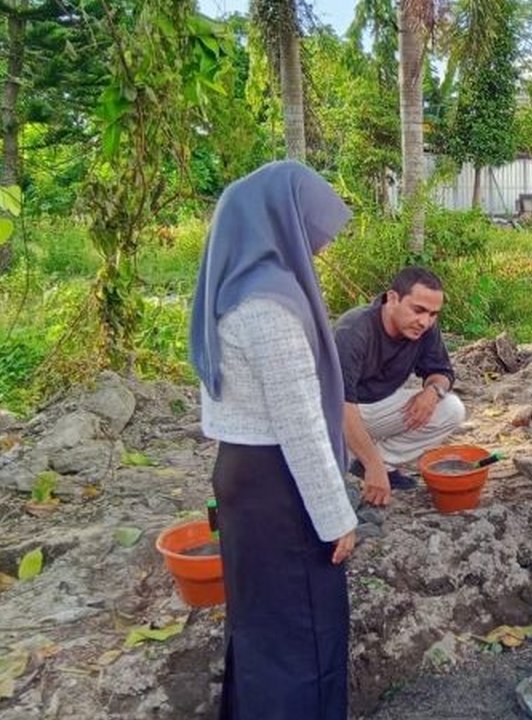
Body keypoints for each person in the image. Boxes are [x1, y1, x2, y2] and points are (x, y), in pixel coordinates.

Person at [190, 160, 357, 719]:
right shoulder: (269, 306)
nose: (320, 250)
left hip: (242, 474)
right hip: (277, 485)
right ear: (280, 224)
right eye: (314, 235)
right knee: (300, 629)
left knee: (261, 622)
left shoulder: (231, 289)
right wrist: (338, 517)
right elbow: (301, 426)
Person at [333, 266, 466, 507]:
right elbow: (340, 406)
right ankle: (369, 464)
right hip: (330, 418)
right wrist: (373, 464)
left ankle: (373, 464)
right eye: (418, 310)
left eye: (433, 314)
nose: (425, 321)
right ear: (392, 298)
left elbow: (443, 373)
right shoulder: (353, 331)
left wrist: (432, 391)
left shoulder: (425, 329)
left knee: (451, 407)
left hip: (373, 409)